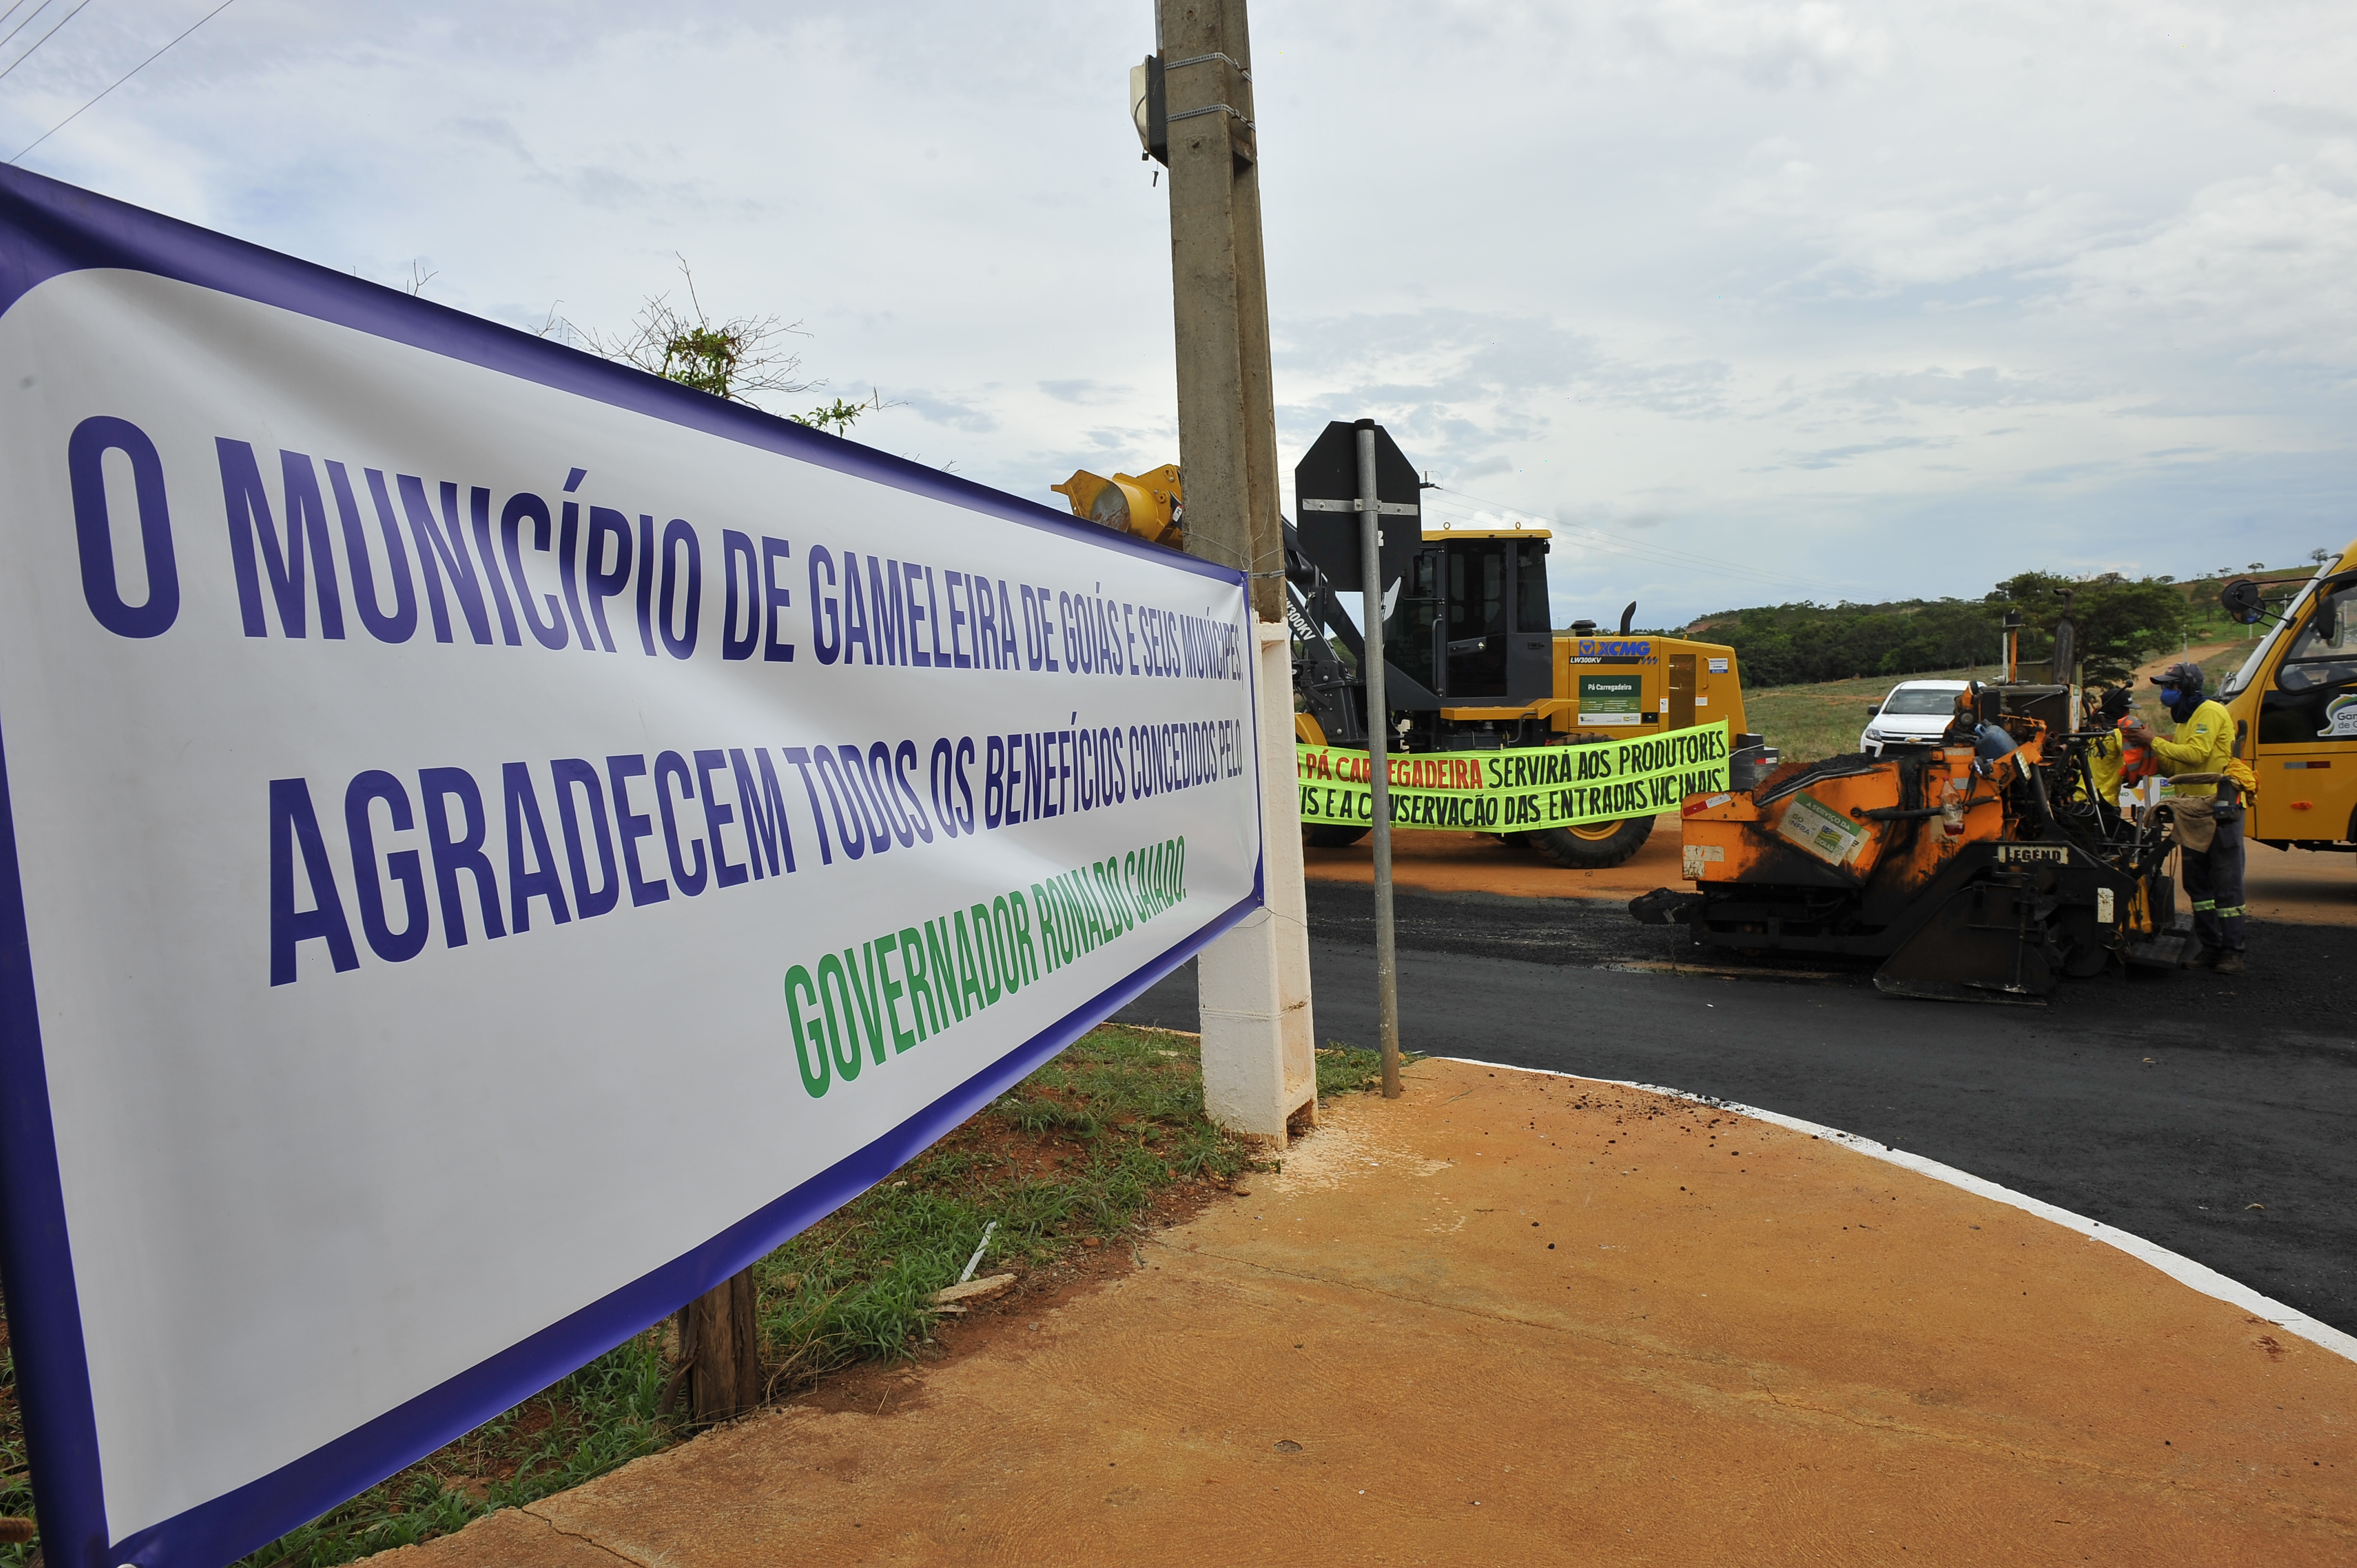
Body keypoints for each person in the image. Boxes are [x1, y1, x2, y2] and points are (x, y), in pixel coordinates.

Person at [2123, 661, 2251, 974]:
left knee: (2226, 884)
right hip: (2194, 809)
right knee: (2198, 886)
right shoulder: (2186, 719)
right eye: (2166, 687)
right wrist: (2148, 759)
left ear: (2190, 687)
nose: (2167, 692)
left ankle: (2232, 953)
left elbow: (2196, 755)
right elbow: (2181, 769)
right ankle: (2210, 947)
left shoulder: (2209, 711)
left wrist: (2153, 741)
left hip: (2219, 808)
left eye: (2172, 686)